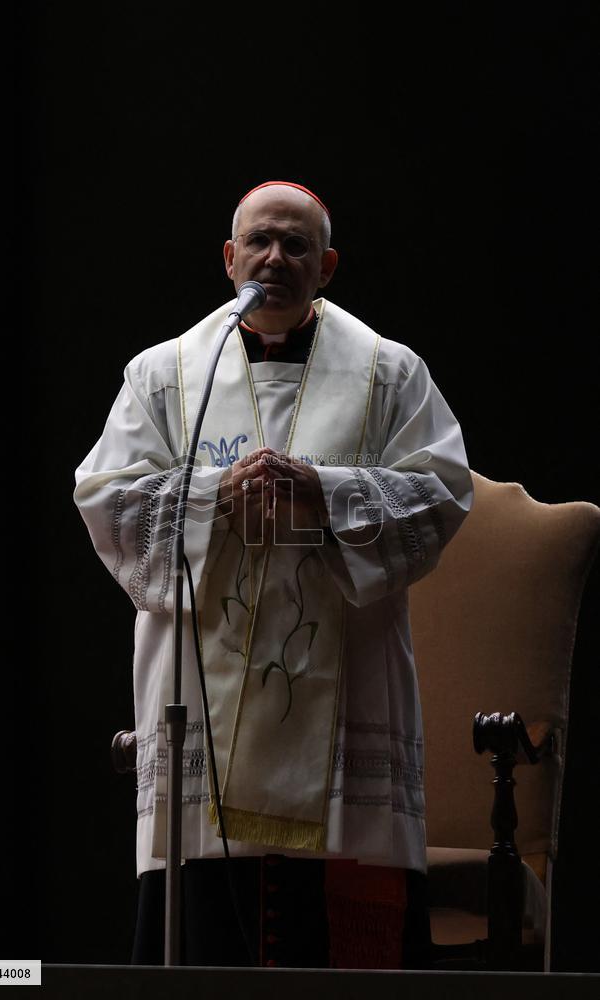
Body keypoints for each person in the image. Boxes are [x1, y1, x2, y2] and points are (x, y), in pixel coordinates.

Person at [73, 180, 474, 969]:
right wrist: (217, 496)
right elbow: (106, 500)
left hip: (347, 688)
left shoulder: (389, 373)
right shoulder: (165, 376)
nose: (275, 258)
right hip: (206, 703)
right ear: (229, 258)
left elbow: (440, 495)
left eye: (297, 246)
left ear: (326, 266)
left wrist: (323, 492)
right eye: (259, 241)